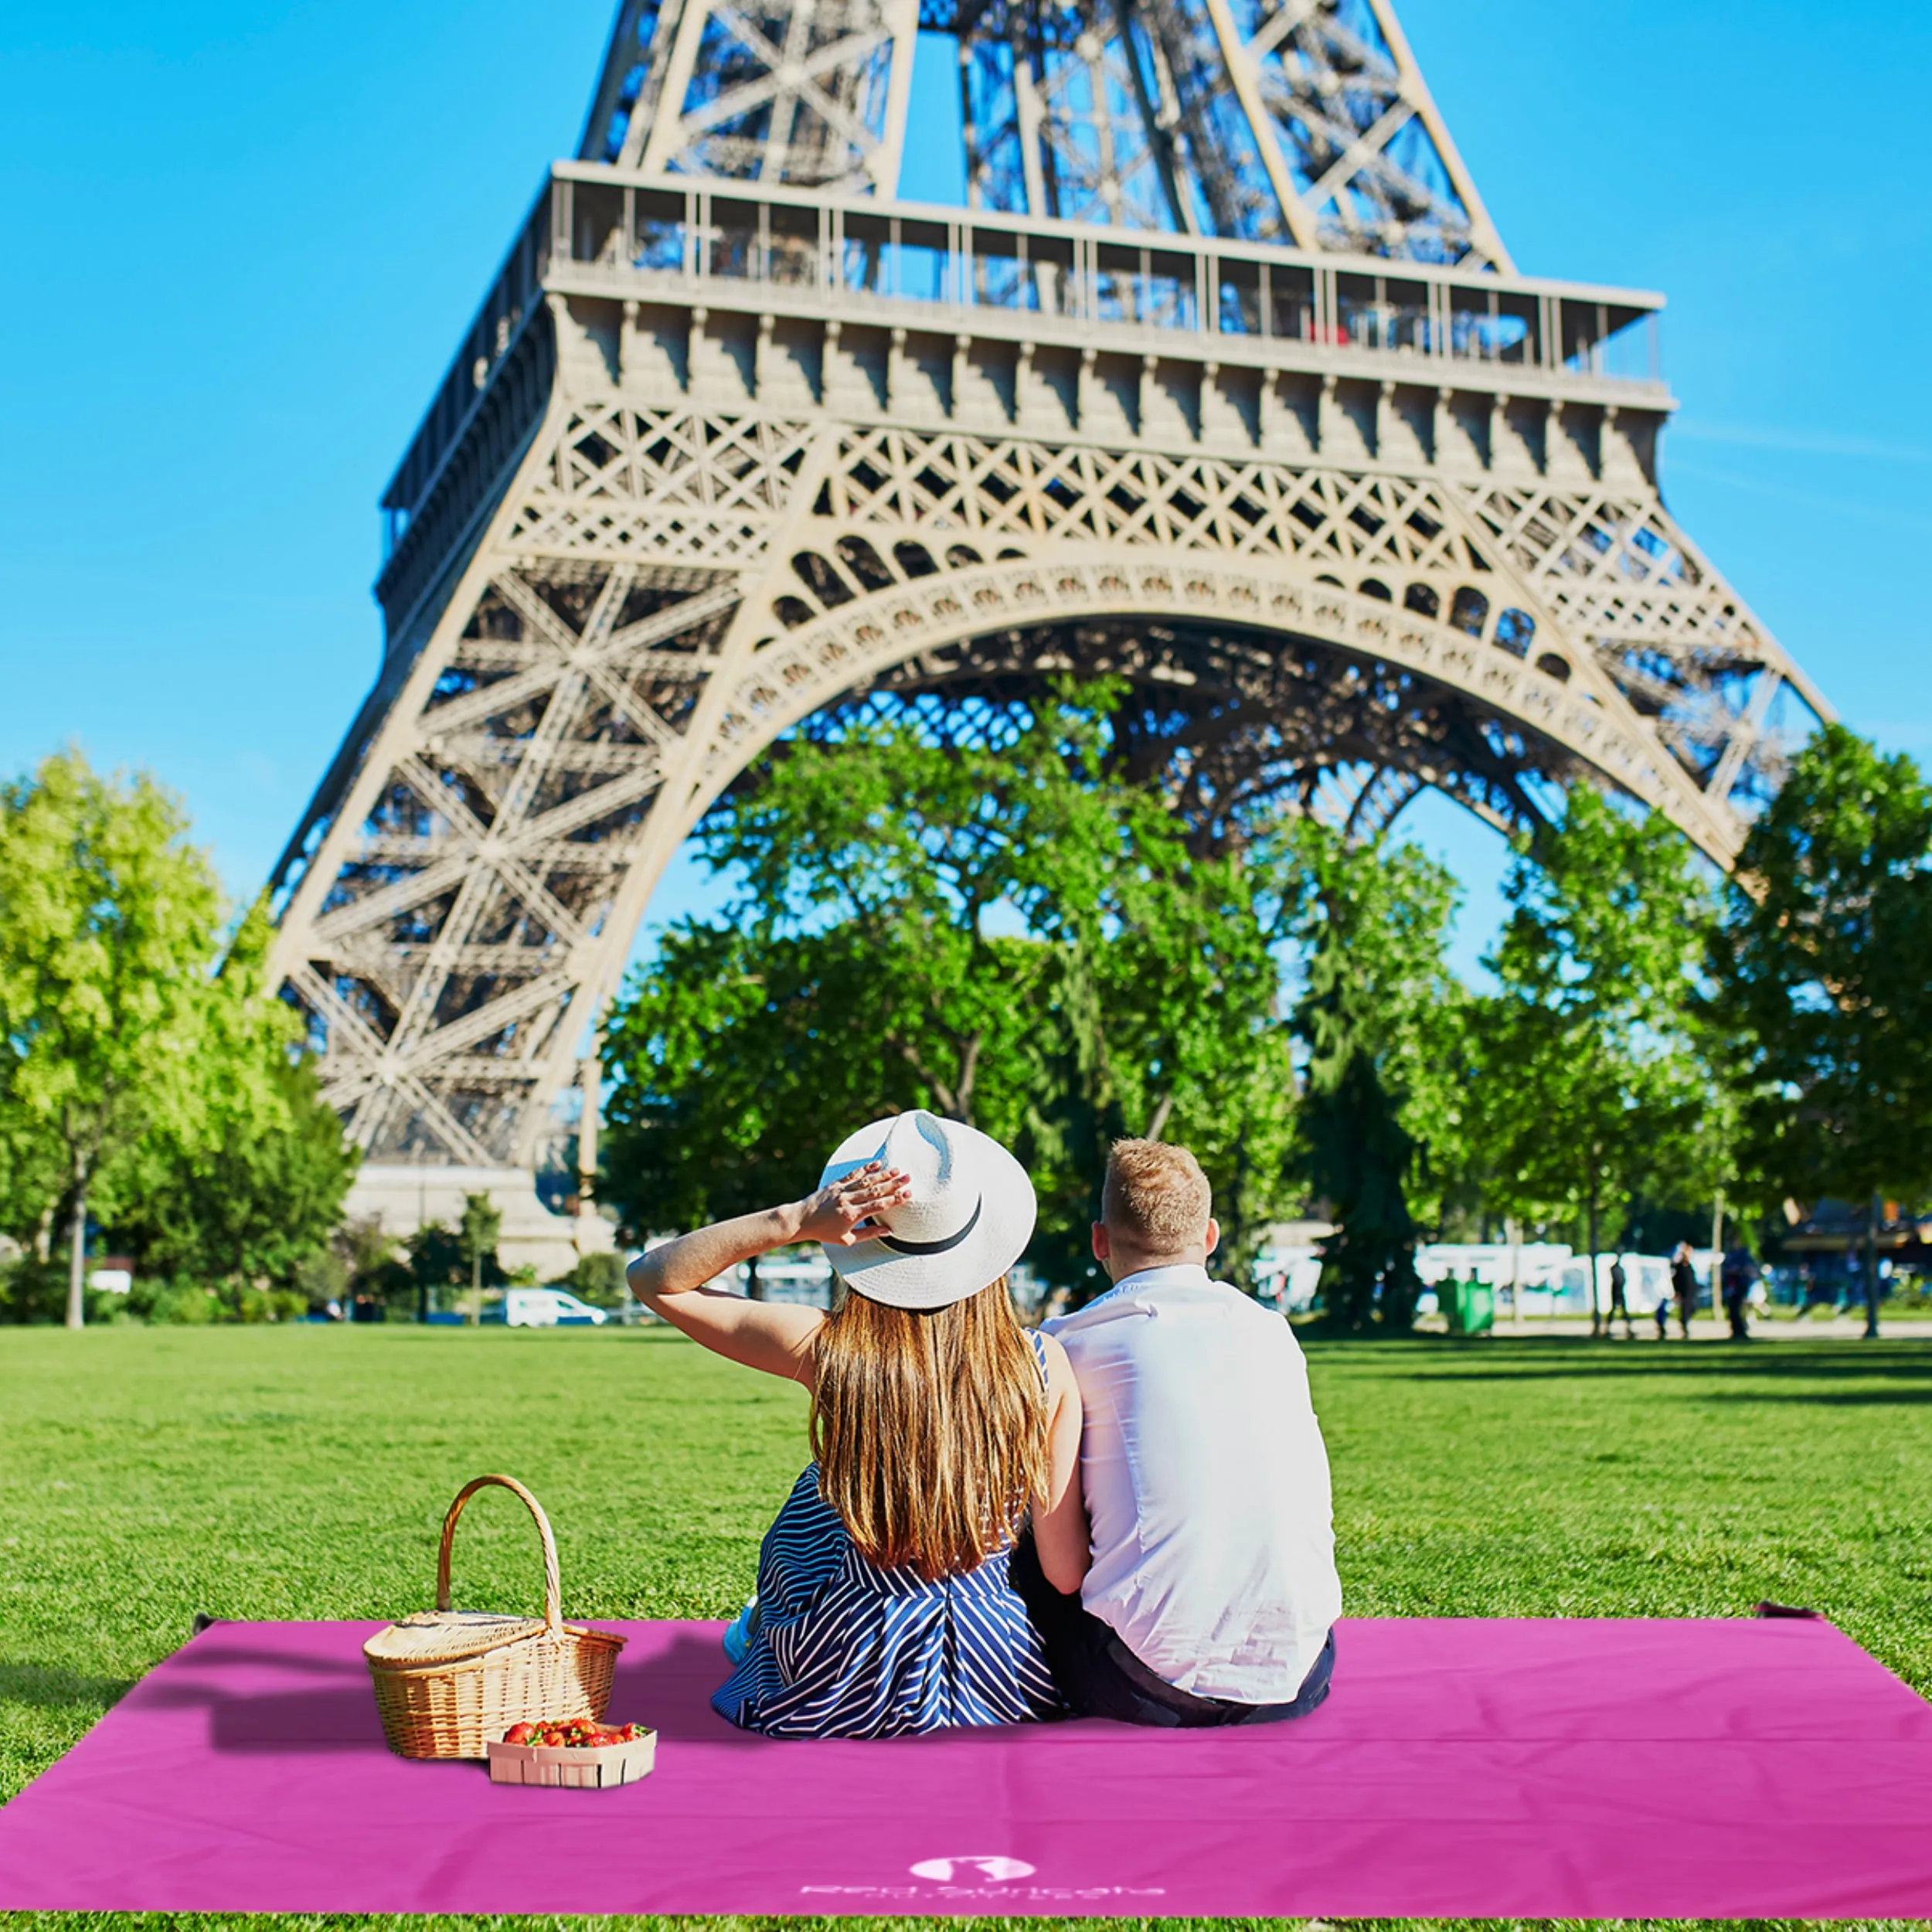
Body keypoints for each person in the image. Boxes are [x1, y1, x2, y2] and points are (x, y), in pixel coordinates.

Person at [626, 1108, 1088, 1738]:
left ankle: (765, 1626)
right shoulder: (1042, 1364)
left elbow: (655, 1280)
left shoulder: (829, 1349)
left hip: (843, 1668)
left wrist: (793, 1220)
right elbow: (1064, 1571)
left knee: (817, 1491)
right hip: (996, 1668)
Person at [1013, 1138, 1341, 1728]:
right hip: (1300, 1673)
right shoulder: (1272, 1333)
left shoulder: (1069, 1345)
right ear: (1210, 1236)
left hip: (1141, 1684)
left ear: (1099, 1242)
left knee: (1019, 1523)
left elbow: (1062, 1573)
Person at [1721, 1246, 1756, 1341]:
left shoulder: (1741, 1259)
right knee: (1734, 1310)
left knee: (1740, 1309)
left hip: (1740, 1287)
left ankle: (1741, 1329)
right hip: (1733, 1288)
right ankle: (1737, 1330)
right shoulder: (1732, 1257)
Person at [1670, 1242, 1697, 1340]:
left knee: (1693, 1307)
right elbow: (1676, 1280)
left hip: (1691, 1292)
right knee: (1685, 1310)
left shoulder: (1689, 1266)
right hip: (1684, 1292)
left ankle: (1684, 1322)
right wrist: (1677, 1291)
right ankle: (1684, 1327)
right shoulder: (1680, 1266)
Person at [1605, 1255, 1634, 1339]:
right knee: (1619, 1311)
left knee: (1621, 1311)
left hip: (1618, 1291)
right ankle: (1609, 1329)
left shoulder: (1618, 1269)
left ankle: (1628, 1328)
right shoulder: (1617, 1269)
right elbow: (1620, 1280)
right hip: (1617, 1291)